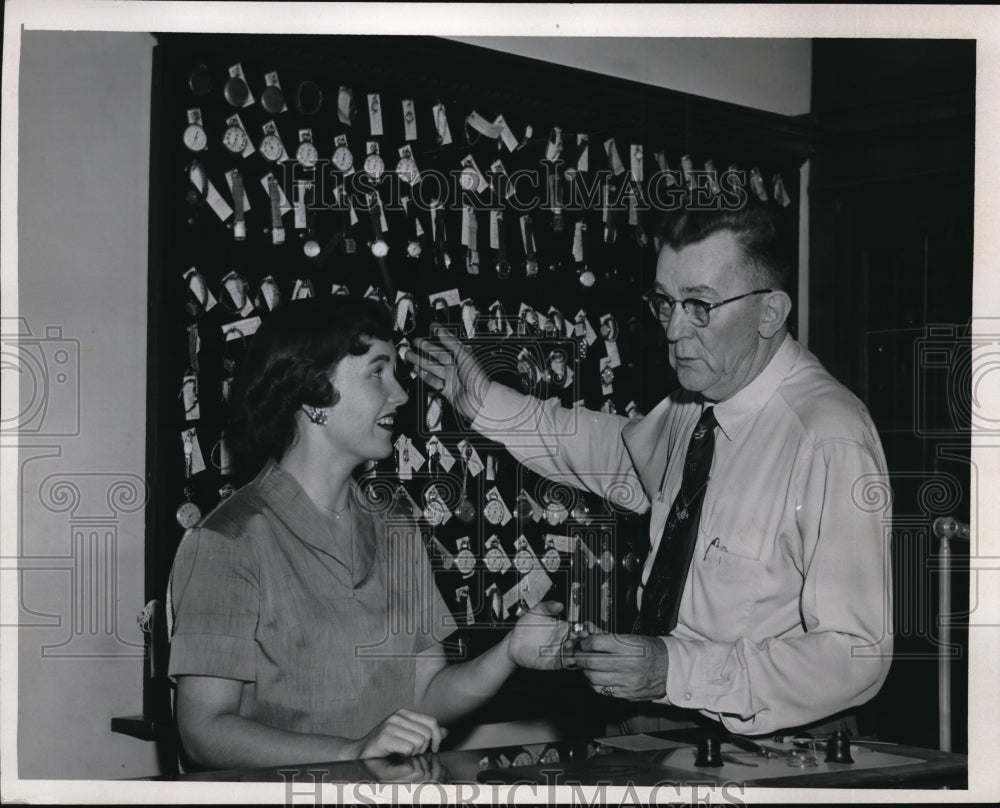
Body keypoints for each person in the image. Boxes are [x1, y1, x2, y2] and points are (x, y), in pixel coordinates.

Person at [406, 198, 894, 737]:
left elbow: (855, 656)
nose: (674, 330)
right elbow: (614, 453)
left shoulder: (828, 436)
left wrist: (674, 670)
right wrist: (487, 403)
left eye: (699, 305)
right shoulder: (700, 401)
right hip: (657, 727)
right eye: (665, 302)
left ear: (771, 312)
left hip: (770, 751)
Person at [167, 296, 566, 770]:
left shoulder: (395, 523)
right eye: (378, 373)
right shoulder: (227, 541)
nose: (400, 394)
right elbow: (203, 730)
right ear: (315, 394)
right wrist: (349, 753)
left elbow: (425, 696)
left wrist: (510, 654)